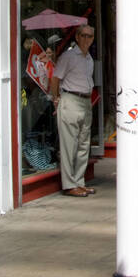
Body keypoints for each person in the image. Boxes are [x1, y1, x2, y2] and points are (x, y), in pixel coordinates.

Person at [51, 25, 96, 196]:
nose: (86, 39)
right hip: (70, 99)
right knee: (69, 144)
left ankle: (79, 181)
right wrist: (56, 99)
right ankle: (69, 185)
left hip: (85, 101)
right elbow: (55, 79)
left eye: (90, 36)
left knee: (83, 144)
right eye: (83, 35)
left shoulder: (89, 59)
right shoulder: (69, 56)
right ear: (77, 37)